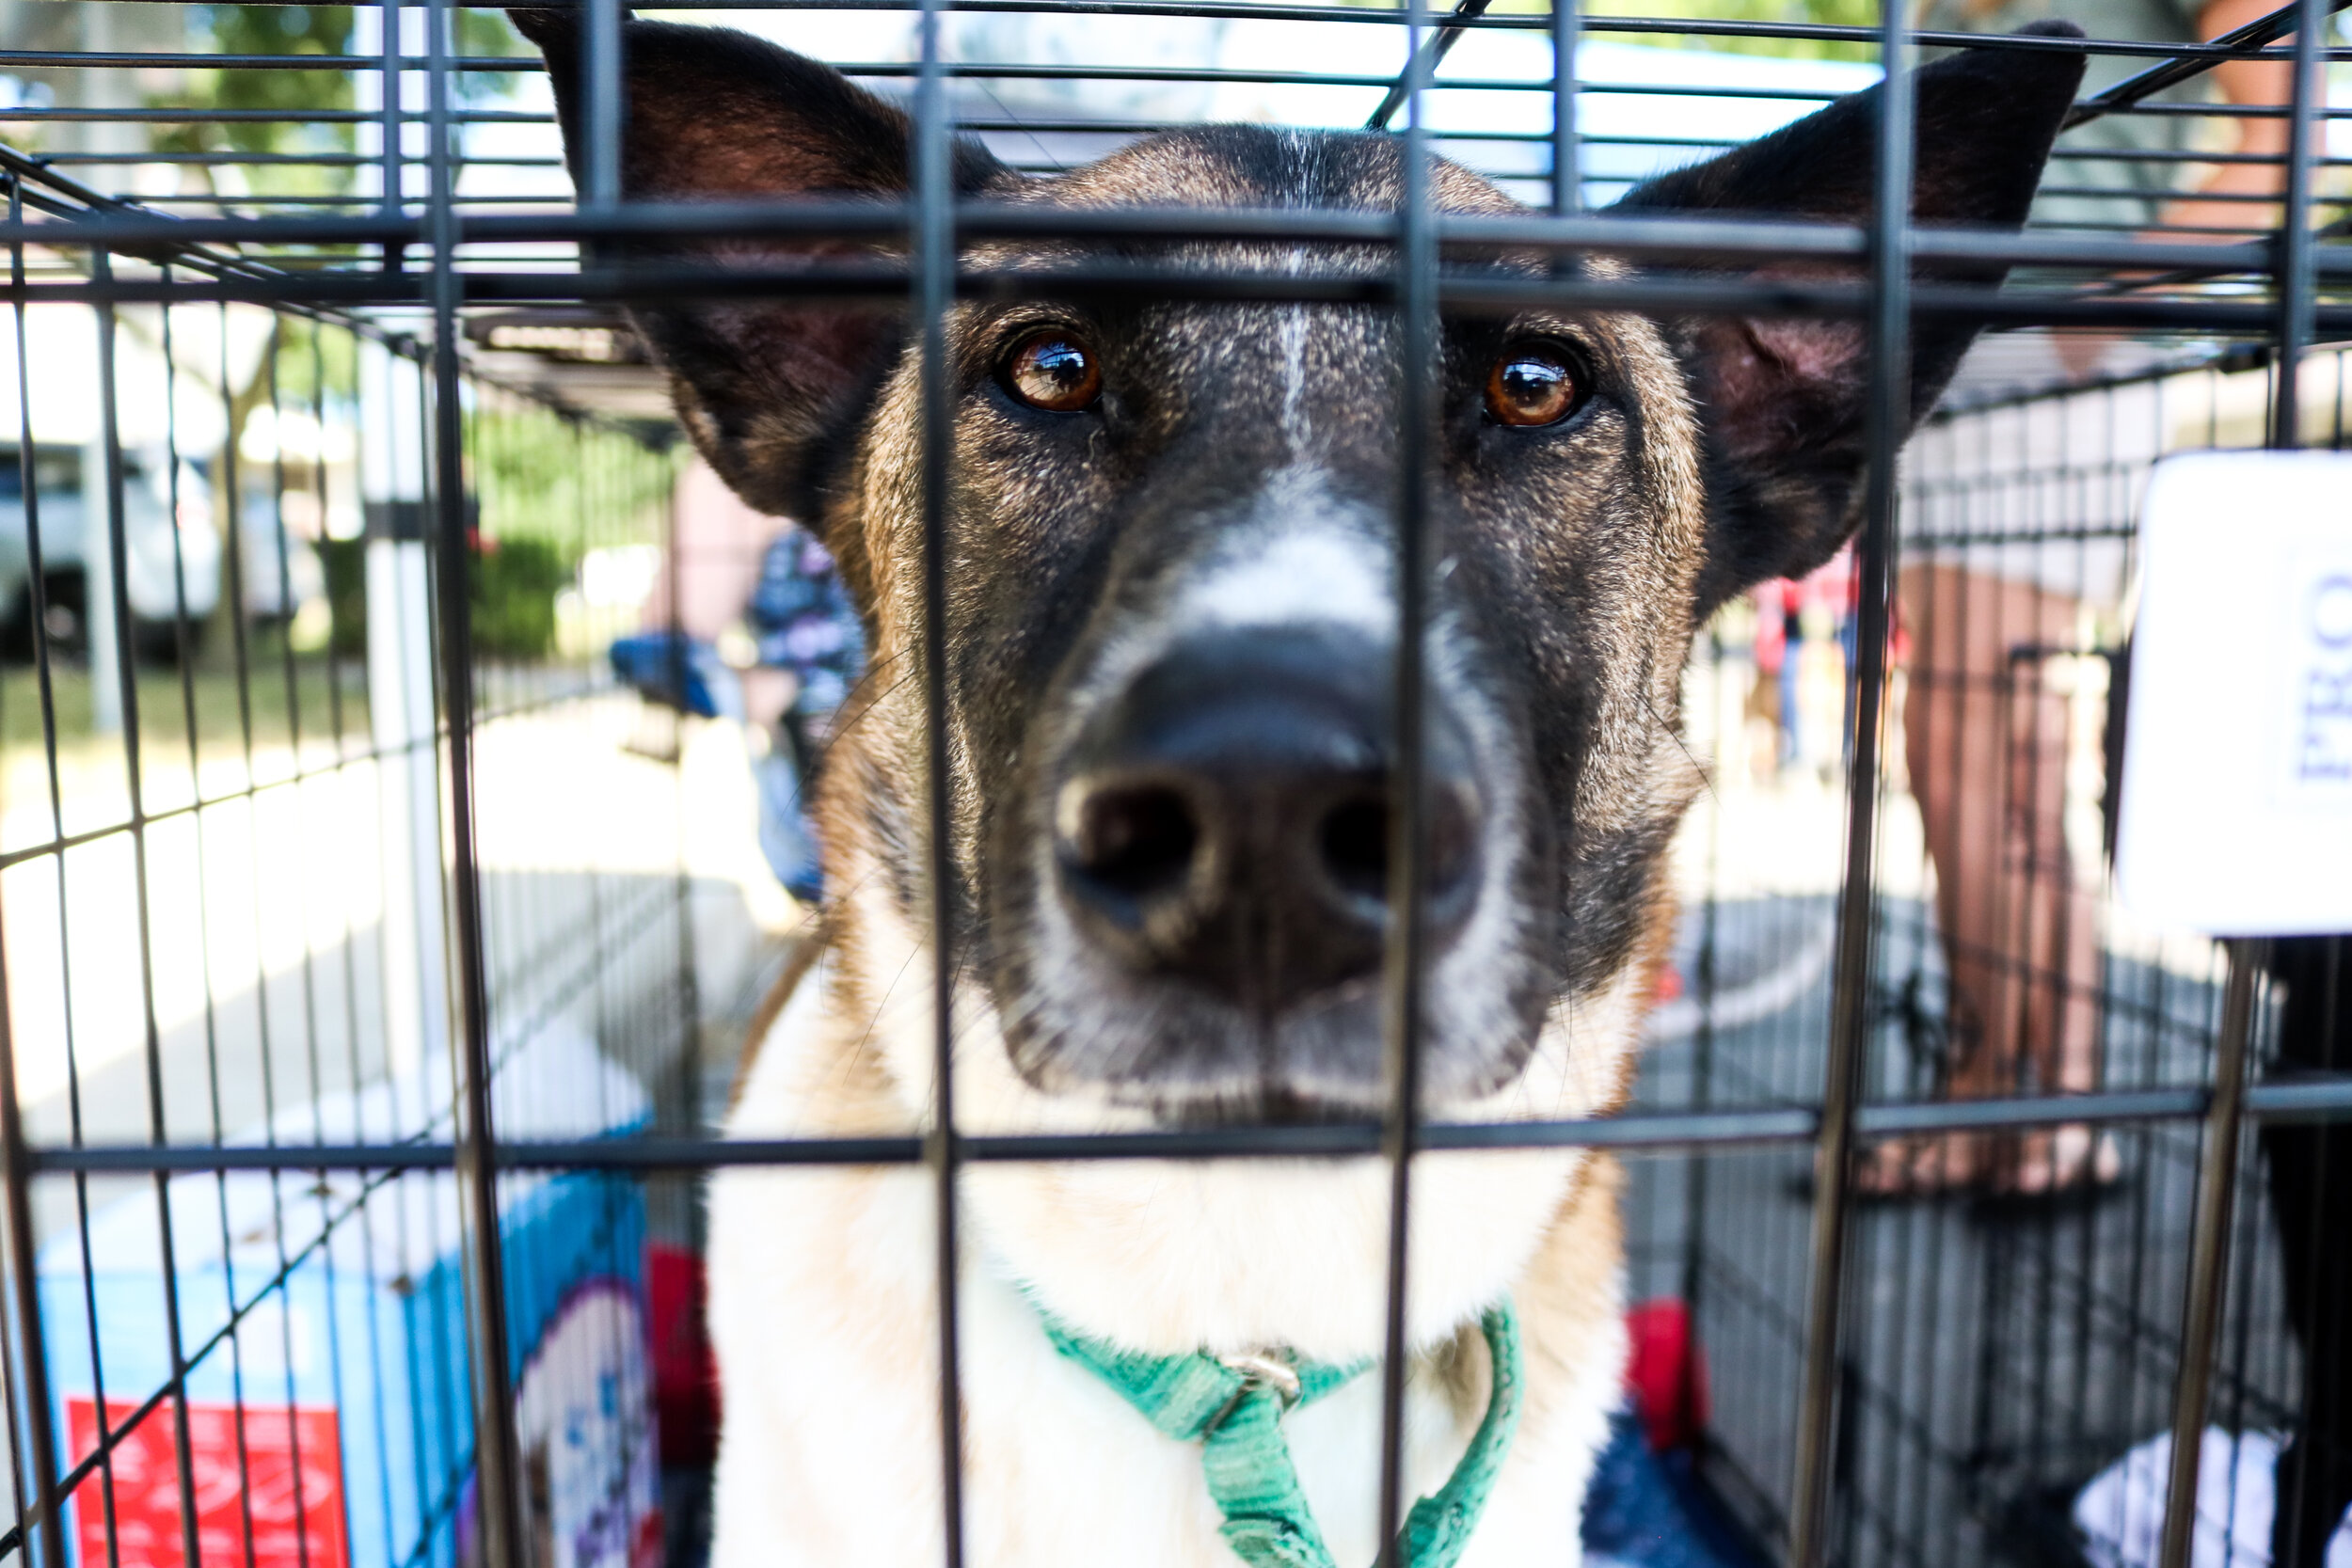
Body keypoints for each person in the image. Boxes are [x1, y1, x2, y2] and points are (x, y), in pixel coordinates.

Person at [1870, 0, 2299, 1197]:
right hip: (1957, 343)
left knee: (2004, 741)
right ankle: (1990, 1095)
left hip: (2061, 354)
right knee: (1953, 738)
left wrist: (2097, 303)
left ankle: (2053, 1108)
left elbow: (2299, 124)